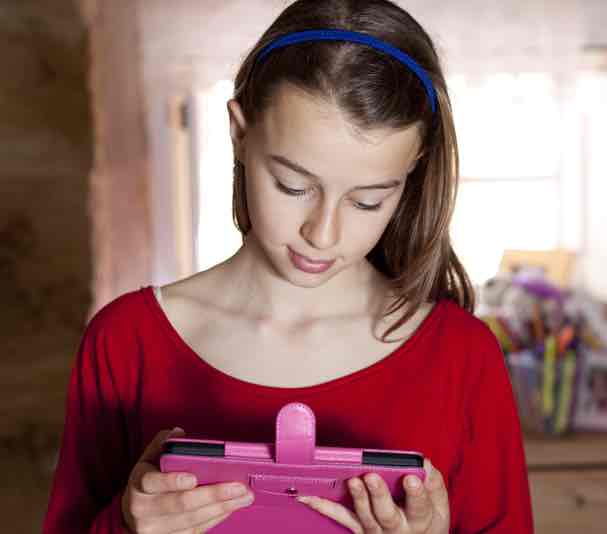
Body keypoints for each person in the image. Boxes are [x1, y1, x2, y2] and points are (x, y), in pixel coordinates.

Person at [42, 0, 534, 532]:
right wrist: (124, 524)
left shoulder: (463, 357)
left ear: (411, 174)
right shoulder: (125, 341)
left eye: (367, 200)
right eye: (293, 186)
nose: (322, 234)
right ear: (239, 133)